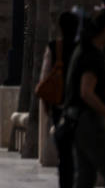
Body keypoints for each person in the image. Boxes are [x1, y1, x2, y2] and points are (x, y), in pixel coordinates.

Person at [65, 8, 105, 188]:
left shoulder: (83, 50)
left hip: (76, 120)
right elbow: (86, 92)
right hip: (87, 121)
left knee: (86, 177)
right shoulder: (92, 55)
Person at [43, 10, 81, 188]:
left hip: (60, 107)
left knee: (64, 153)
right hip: (80, 107)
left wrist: (47, 107)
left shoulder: (54, 47)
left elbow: (45, 79)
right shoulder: (82, 48)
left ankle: (65, 183)